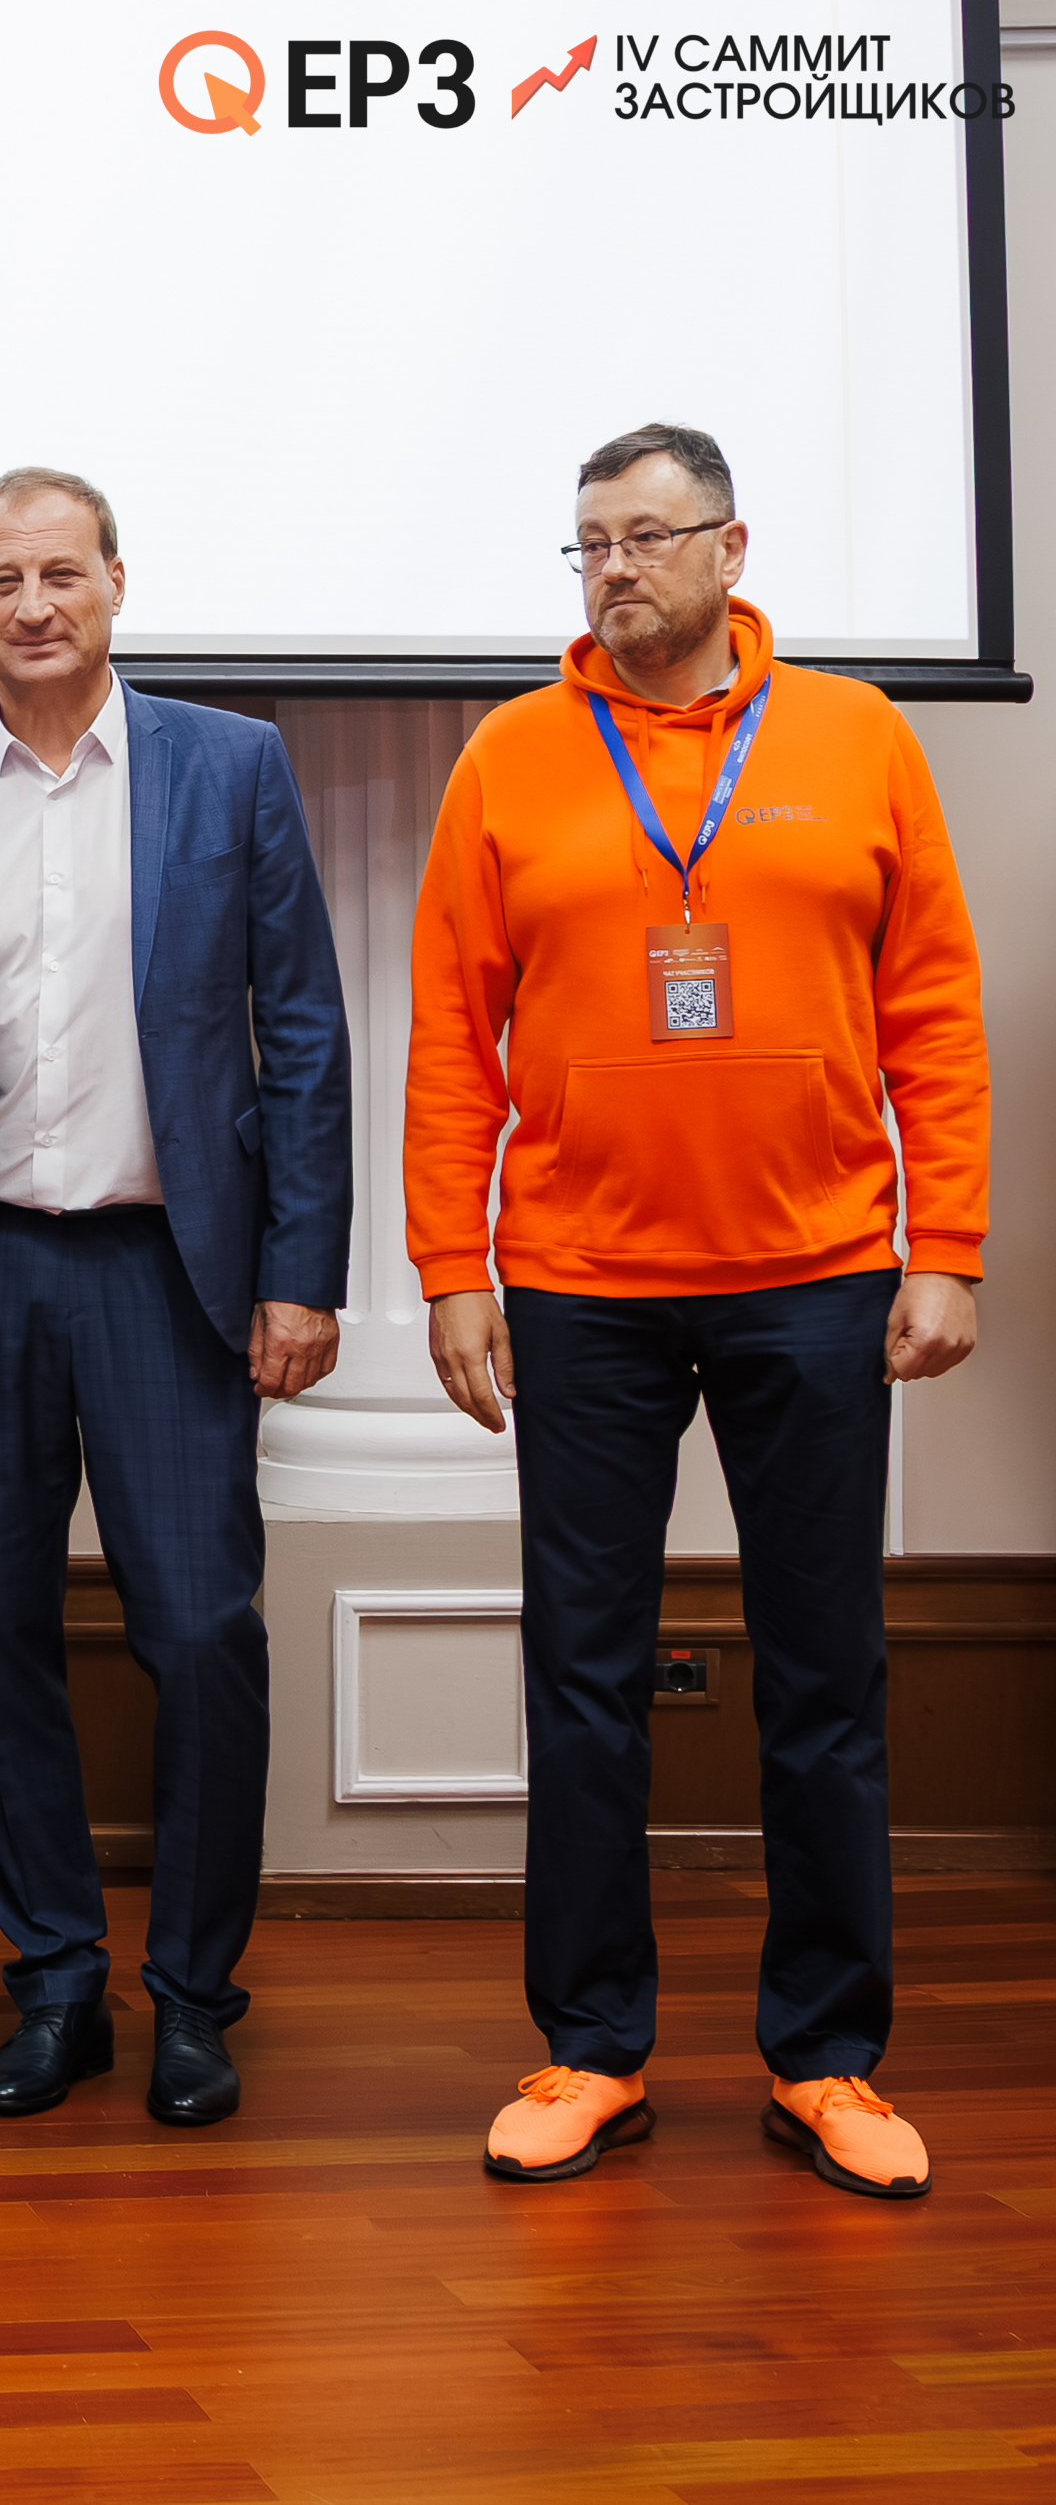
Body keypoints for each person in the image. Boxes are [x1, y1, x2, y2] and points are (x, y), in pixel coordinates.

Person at [412, 424, 988, 2201]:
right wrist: (451, 1268)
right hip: (579, 1286)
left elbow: (935, 1008)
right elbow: (450, 1036)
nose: (615, 568)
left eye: (648, 536)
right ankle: (593, 2049)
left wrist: (947, 1242)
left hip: (816, 1273)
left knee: (826, 1677)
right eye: (588, 543)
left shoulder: (858, 736)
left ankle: (827, 2059)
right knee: (584, 1680)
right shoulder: (511, 754)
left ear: (732, 550)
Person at [0, 468, 351, 2130]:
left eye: (62, 573)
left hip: (167, 1271)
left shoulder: (232, 764)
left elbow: (302, 1031)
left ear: (118, 586)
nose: (34, 605)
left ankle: (195, 1995)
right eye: (1, 581)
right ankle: (57, 1982)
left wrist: (302, 1273)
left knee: (201, 1635)